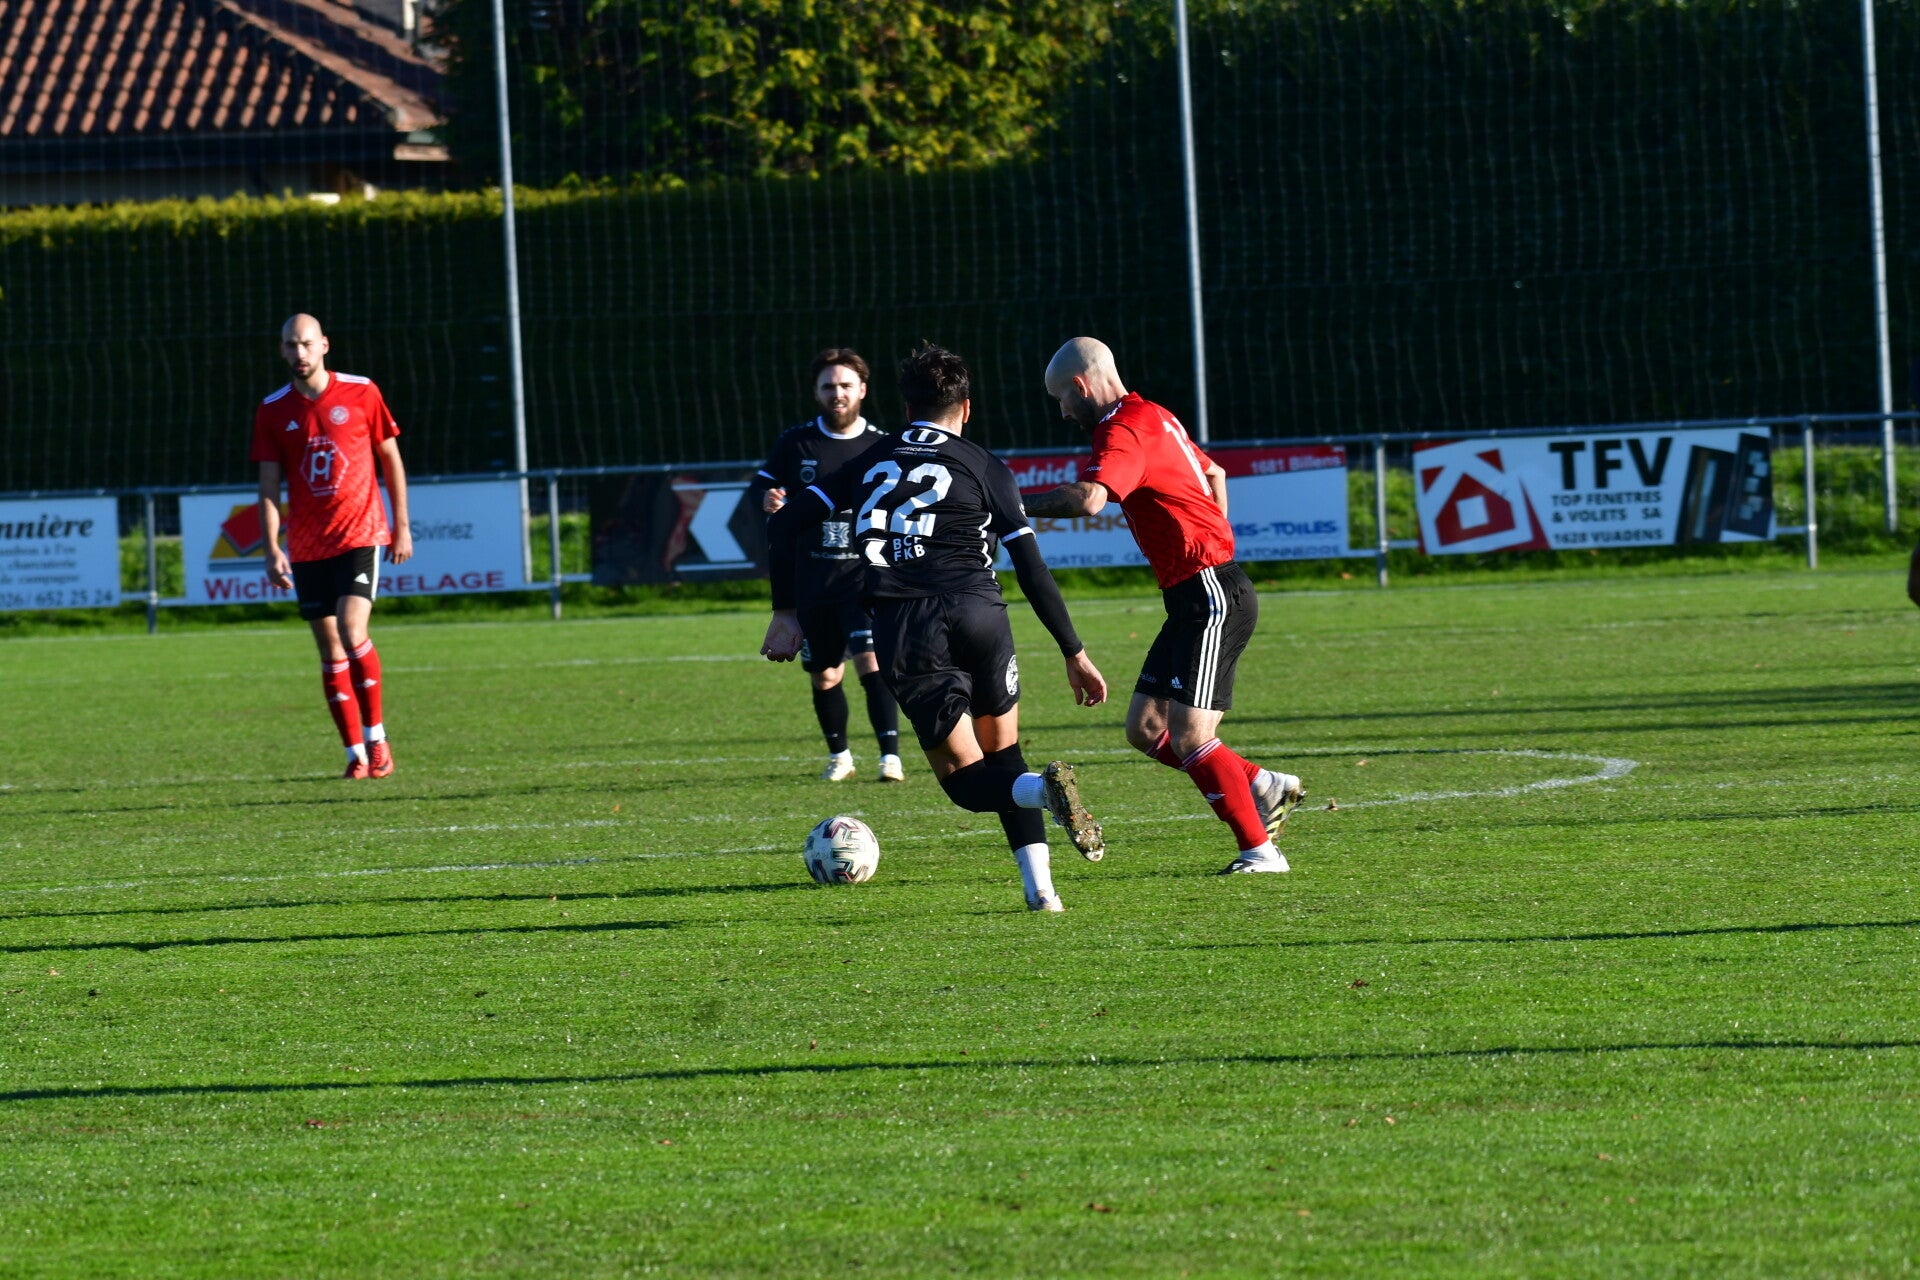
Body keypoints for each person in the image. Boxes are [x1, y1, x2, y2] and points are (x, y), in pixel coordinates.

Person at [760, 343, 1108, 912]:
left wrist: (785, 613)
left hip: (909, 626)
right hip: (982, 615)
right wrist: (1074, 651)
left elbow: (783, 526)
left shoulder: (870, 459)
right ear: (965, 408)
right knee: (1005, 755)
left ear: (905, 407)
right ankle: (1043, 894)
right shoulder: (985, 465)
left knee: (968, 783)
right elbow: (1032, 568)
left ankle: (1044, 795)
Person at [1023, 337, 1304, 874]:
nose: (1062, 412)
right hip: (1195, 593)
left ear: (1081, 386)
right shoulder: (1154, 414)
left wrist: (1009, 505)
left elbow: (1091, 499)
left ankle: (1260, 851)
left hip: (1211, 592)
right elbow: (1216, 474)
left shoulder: (1122, 428)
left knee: (1193, 733)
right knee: (1147, 728)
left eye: (1061, 399)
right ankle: (1261, 783)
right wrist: (1213, 536)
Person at [251, 313, 412, 779]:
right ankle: (354, 755)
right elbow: (268, 485)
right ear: (281, 350)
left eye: (306, 344)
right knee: (329, 650)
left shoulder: (362, 392)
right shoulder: (272, 409)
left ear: (324, 345)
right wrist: (271, 547)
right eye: (290, 345)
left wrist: (401, 526)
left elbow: (390, 459)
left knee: (350, 628)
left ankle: (377, 739)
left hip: (360, 533)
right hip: (306, 545)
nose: (298, 353)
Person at [749, 350, 905, 783]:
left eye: (845, 385)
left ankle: (889, 757)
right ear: (816, 392)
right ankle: (840, 756)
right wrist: (768, 499)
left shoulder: (882, 445)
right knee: (824, 675)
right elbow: (762, 485)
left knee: (872, 661)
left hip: (865, 578)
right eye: (829, 386)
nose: (838, 393)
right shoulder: (796, 443)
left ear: (862, 390)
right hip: (812, 582)